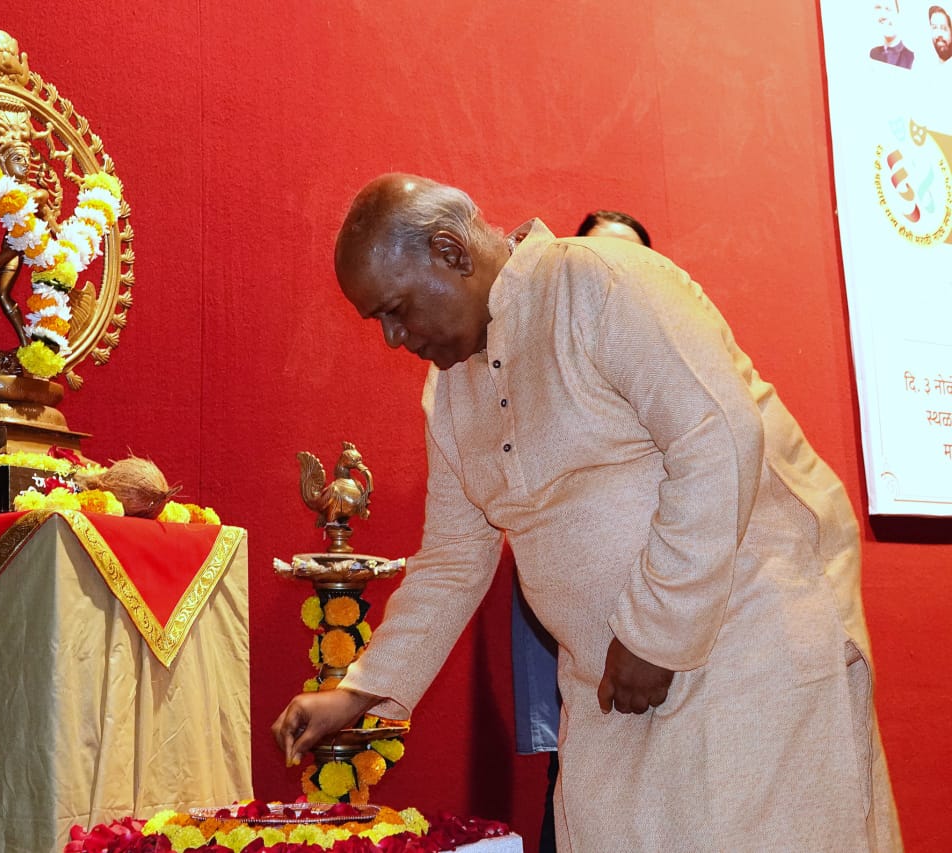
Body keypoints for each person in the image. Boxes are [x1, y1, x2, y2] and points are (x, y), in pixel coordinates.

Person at [272, 174, 903, 850]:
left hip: (744, 650)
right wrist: (359, 691)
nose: (394, 337)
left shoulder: (601, 282)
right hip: (609, 684)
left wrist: (656, 632)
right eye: (379, 321)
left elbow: (717, 438)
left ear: (451, 251)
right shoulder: (448, 395)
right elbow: (453, 561)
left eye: (396, 309)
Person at [510, 209, 653, 853]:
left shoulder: (671, 355)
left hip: (669, 631)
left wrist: (657, 630)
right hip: (575, 629)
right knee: (578, 776)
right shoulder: (534, 365)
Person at [870, 0, 915, 67]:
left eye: (888, 9)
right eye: (878, 7)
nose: (883, 15)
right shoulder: (873, 54)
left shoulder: (911, 59)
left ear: (899, 15)